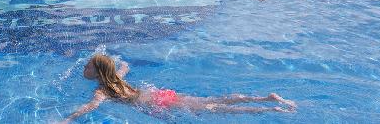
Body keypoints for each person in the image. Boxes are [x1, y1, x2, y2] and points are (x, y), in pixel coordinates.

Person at [59, 55, 295, 123]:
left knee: (214, 108)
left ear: (99, 73)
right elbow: (125, 67)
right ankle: (264, 99)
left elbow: (90, 107)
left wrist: (67, 120)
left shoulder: (102, 91)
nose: (84, 68)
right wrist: (119, 60)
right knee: (211, 101)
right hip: (160, 94)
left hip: (158, 103)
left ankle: (270, 108)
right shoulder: (117, 78)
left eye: (88, 66)